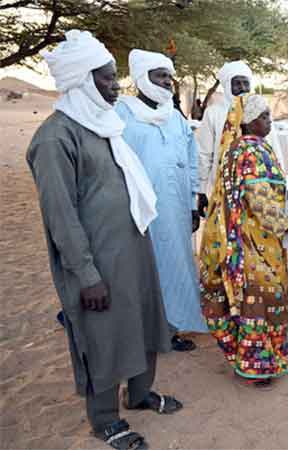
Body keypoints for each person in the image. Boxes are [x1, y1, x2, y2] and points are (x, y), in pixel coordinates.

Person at [27, 30, 181, 450]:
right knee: (103, 336)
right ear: (81, 81)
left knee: (144, 322)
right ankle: (104, 419)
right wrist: (86, 275)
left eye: (116, 77)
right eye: (107, 78)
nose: (116, 86)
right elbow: (61, 218)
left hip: (133, 248)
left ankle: (140, 393)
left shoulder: (104, 124)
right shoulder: (56, 138)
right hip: (96, 262)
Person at [199, 94, 288, 389]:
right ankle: (258, 365)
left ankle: (271, 355)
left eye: (269, 116)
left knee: (265, 298)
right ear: (247, 121)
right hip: (251, 243)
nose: (269, 121)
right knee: (261, 299)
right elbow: (260, 200)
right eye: (264, 116)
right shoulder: (248, 151)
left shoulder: (247, 149)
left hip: (260, 241)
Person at [116, 49, 208, 352]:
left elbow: (191, 160)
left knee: (177, 268)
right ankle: (145, 333)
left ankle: (172, 329)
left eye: (169, 76)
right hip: (138, 210)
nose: (167, 82)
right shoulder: (121, 114)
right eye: (160, 76)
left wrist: (194, 204)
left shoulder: (174, 117)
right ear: (143, 78)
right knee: (144, 270)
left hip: (176, 207)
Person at [195, 60, 253, 204]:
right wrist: (202, 191)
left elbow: (273, 149)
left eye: (246, 83)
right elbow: (204, 153)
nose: (243, 88)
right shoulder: (213, 113)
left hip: (255, 187)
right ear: (227, 86)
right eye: (237, 83)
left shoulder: (258, 110)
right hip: (221, 187)